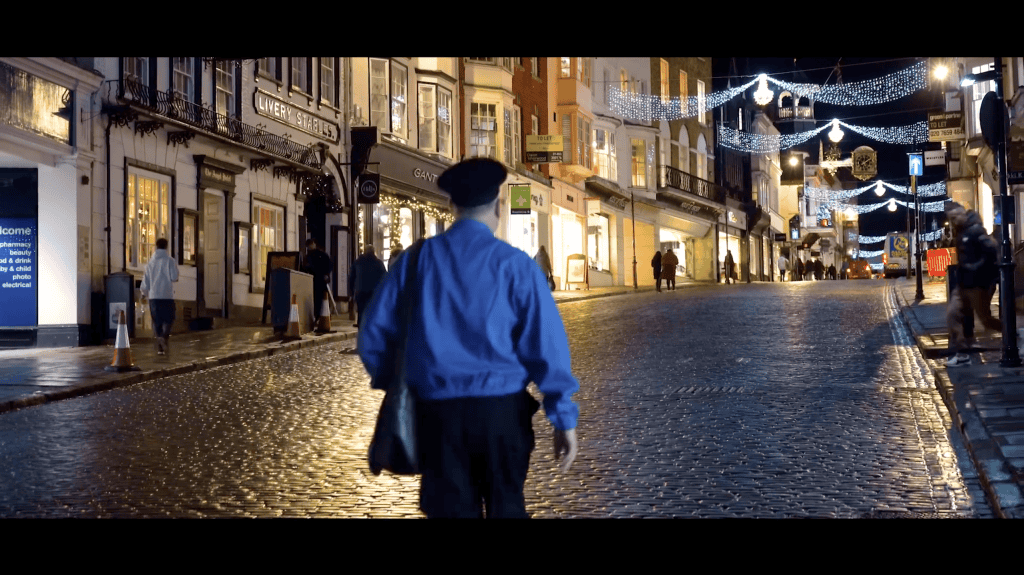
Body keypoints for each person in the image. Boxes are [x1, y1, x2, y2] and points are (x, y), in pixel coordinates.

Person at [358, 157, 579, 519]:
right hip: (501, 414)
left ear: (451, 206)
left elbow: (371, 335)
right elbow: (548, 348)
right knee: (507, 508)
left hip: (438, 416)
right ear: (497, 206)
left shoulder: (415, 262)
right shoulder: (516, 266)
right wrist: (563, 418)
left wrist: (400, 379)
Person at [946, 205, 1001, 367]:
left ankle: (1016, 334)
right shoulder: (961, 230)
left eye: (955, 217)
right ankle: (962, 354)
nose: (953, 221)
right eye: (951, 218)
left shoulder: (976, 230)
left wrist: (975, 267)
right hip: (963, 283)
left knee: (986, 320)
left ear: (963, 214)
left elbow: (991, 250)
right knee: (953, 315)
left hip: (978, 283)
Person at [140, 238, 179, 355]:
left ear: (156, 247)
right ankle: (164, 338)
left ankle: (160, 344)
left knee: (156, 321)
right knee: (169, 319)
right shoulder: (170, 261)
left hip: (153, 296)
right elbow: (174, 277)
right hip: (167, 295)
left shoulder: (150, 263)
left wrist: (143, 294)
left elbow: (145, 281)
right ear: (166, 246)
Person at [348, 245, 387, 329]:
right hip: (374, 291)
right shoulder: (378, 263)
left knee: (361, 310)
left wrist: (351, 292)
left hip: (360, 290)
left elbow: (351, 277)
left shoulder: (358, 262)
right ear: (374, 252)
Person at [304, 238, 336, 315]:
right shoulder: (311, 255)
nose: (310, 247)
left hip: (318, 279)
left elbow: (329, 264)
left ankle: (320, 314)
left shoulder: (317, 255)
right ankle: (320, 314)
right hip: (316, 279)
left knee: (320, 298)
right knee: (319, 298)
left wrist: (326, 274)